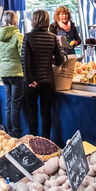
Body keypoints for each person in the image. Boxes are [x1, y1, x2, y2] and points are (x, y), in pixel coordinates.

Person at [22, 9, 66, 140]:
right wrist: (49, 59)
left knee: (32, 112)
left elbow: (25, 60)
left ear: (34, 21)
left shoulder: (28, 37)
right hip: (48, 81)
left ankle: (33, 141)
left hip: (32, 82)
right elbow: (60, 61)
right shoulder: (53, 37)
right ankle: (46, 141)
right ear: (46, 21)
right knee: (46, 113)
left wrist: (30, 79)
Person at [0, 10, 24, 137]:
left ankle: (9, 132)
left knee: (9, 102)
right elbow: (23, 55)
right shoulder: (18, 36)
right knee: (15, 104)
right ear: (15, 22)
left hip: (5, 73)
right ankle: (15, 132)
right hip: (17, 72)